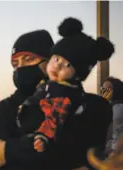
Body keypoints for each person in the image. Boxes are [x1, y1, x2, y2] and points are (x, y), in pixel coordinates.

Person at [0, 18, 112, 170]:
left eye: (28, 59)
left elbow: (83, 157)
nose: (21, 67)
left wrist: (8, 151)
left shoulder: (92, 106)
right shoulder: (3, 109)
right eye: (16, 63)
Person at [17, 18, 115, 153]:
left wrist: (42, 137)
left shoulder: (64, 94)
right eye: (56, 59)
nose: (57, 65)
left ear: (78, 75)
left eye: (67, 65)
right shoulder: (48, 86)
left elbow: (54, 119)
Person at [101, 76, 123, 154]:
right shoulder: (115, 106)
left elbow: (117, 137)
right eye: (102, 89)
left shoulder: (117, 109)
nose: (103, 92)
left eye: (107, 89)